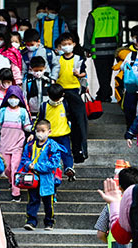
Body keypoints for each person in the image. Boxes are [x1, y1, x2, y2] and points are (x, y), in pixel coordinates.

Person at [21, 119, 63, 231]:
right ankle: (31, 221)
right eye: (38, 131)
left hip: (47, 179)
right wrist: (28, 164)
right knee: (33, 200)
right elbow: (24, 158)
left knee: (48, 202)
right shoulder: (30, 145)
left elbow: (53, 163)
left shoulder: (53, 146)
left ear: (49, 131)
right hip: (33, 179)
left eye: (43, 130)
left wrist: (36, 166)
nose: (40, 133)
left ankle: (49, 222)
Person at [53, 32, 89, 163]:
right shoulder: (57, 59)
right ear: (60, 46)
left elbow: (84, 73)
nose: (67, 46)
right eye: (64, 45)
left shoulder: (78, 58)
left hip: (74, 91)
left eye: (69, 44)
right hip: (59, 92)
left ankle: (79, 151)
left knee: (78, 122)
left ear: (74, 44)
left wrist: (79, 76)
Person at [0, 85, 33, 202]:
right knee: (7, 168)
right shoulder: (2, 111)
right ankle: (12, 181)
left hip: (18, 145)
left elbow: (26, 126)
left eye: (16, 97)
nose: (13, 99)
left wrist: (34, 129)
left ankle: (16, 193)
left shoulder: (23, 112)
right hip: (4, 144)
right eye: (11, 97)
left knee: (15, 168)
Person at [83, 0, 121, 102]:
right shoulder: (116, 13)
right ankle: (103, 93)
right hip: (112, 50)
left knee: (101, 74)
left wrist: (87, 48)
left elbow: (88, 32)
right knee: (107, 74)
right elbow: (120, 32)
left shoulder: (94, 14)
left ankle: (105, 95)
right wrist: (119, 48)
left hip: (98, 51)